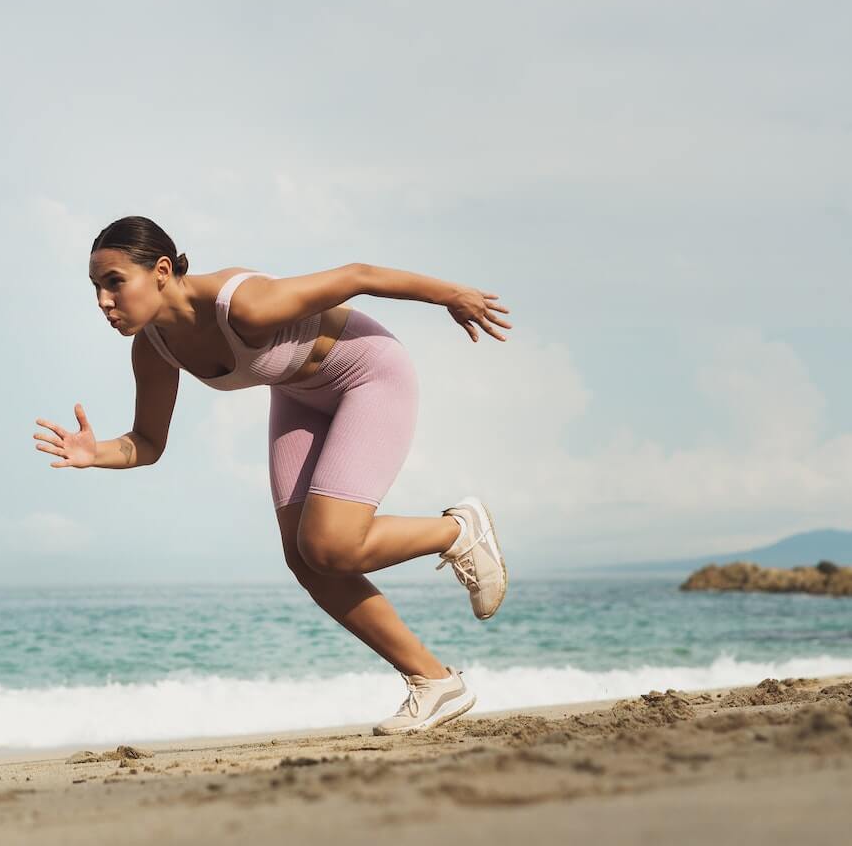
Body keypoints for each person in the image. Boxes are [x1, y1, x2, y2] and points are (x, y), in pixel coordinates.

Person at [33, 216, 513, 734]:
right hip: (298, 394)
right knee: (305, 558)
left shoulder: (243, 304)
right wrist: (94, 453)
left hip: (368, 373)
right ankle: (434, 681)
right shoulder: (153, 347)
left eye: (114, 282)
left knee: (331, 545)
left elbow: (359, 275)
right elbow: (148, 443)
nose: (103, 301)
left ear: (162, 271)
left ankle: (458, 530)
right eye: (96, 288)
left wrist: (453, 295)